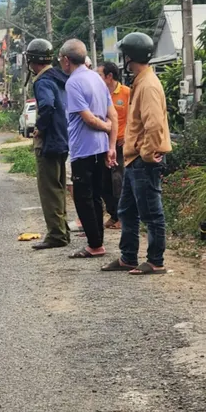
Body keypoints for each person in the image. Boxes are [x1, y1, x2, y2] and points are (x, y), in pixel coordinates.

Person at [101, 32, 172, 275]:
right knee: (126, 211)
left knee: (151, 213)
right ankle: (128, 257)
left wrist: (148, 154)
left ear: (131, 56)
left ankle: (155, 261)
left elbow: (154, 125)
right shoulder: (141, 81)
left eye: (126, 56)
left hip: (143, 160)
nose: (124, 61)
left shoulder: (149, 85)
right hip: (134, 158)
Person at [59, 39, 117, 259]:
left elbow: (88, 119)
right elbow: (112, 114)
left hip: (83, 149)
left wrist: (105, 127)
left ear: (66, 60)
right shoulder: (96, 77)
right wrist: (111, 145)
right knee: (95, 197)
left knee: (83, 197)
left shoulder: (73, 83)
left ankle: (95, 245)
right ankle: (97, 241)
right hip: (101, 148)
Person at [25, 39, 73, 250]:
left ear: (31, 60)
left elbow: (46, 106)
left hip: (50, 142)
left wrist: (40, 129)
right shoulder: (60, 78)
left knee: (49, 190)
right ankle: (63, 231)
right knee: (59, 187)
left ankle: (56, 235)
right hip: (63, 139)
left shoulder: (42, 81)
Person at [97, 61, 130, 230]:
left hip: (120, 144)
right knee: (103, 182)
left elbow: (135, 116)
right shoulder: (99, 93)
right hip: (103, 144)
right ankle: (113, 214)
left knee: (118, 180)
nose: (97, 78)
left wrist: (128, 136)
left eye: (100, 75)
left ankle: (121, 217)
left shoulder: (126, 93)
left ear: (109, 77)